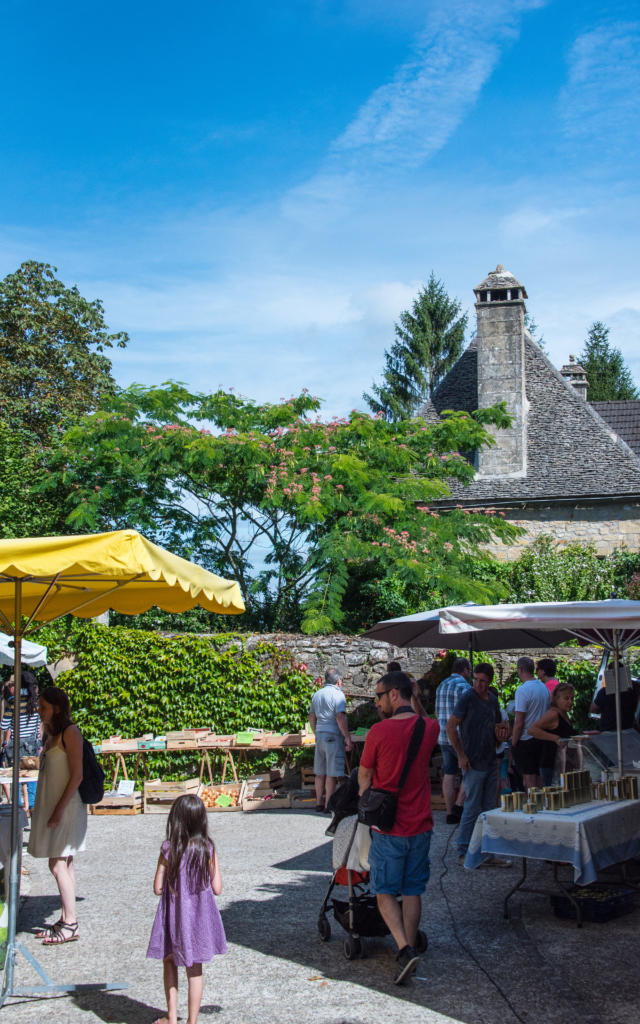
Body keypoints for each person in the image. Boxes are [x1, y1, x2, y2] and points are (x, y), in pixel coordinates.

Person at [358, 671, 439, 985]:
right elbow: (426, 719)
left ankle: (404, 948)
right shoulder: (428, 727)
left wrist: (366, 802)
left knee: (384, 891)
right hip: (421, 825)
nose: (377, 703)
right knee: (413, 889)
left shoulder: (378, 732)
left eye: (379, 696)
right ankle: (409, 940)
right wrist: (415, 696)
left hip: (389, 828)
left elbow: (364, 777)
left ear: (394, 695)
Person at [147, 794, 226, 1024]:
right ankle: (192, 1021)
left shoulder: (168, 848)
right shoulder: (207, 849)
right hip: (199, 918)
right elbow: (218, 888)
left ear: (176, 820)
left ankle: (171, 1018)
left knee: (169, 961)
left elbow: (157, 888)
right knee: (195, 969)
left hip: (173, 916)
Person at [28, 686, 87, 944]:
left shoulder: (70, 732)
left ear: (58, 708)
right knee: (66, 862)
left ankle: (71, 923)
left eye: (43, 706)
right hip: (56, 807)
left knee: (56, 864)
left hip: (67, 808)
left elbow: (77, 775)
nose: (38, 710)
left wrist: (58, 811)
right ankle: (66, 918)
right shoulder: (51, 734)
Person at [446, 663, 511, 867]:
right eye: (475, 679)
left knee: (489, 807)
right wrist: (461, 754)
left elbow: (496, 727)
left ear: (489, 681)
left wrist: (500, 737)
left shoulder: (492, 700)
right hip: (473, 760)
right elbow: (451, 727)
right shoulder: (467, 698)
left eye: (482, 681)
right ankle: (463, 851)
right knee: (471, 807)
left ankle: (488, 853)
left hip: (490, 758)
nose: (477, 684)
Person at [309, 668, 353, 813]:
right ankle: (328, 804)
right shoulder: (338, 695)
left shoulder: (317, 694)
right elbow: (340, 717)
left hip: (320, 735)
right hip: (333, 735)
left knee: (320, 772)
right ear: (338, 681)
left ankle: (318, 803)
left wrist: (316, 732)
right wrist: (347, 737)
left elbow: (311, 717)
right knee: (331, 773)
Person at [435, 657, 471, 824]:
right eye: (469, 670)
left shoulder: (441, 685)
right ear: (464, 670)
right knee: (468, 772)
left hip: (443, 736)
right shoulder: (464, 686)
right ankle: (459, 805)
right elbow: (469, 713)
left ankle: (449, 813)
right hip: (460, 737)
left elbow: (436, 712)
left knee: (449, 773)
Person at [0, 669, 41, 817]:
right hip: (31, 746)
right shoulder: (36, 705)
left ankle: (17, 810)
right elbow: (38, 727)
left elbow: (4, 726)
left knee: (15, 779)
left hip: (16, 746)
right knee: (31, 778)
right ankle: (32, 808)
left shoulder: (14, 704)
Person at [511, 656, 550, 789]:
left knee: (529, 776)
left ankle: (533, 803)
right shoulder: (544, 688)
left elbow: (519, 722)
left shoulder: (523, 690)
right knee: (538, 775)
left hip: (526, 738)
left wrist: (514, 742)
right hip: (541, 737)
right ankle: (541, 803)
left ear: (520, 669)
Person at [528, 683, 577, 786]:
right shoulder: (553, 714)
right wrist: (555, 738)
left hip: (561, 763)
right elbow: (532, 730)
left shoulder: (564, 714)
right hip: (551, 764)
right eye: (566, 698)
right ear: (557, 699)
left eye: (572, 699)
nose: (570, 702)